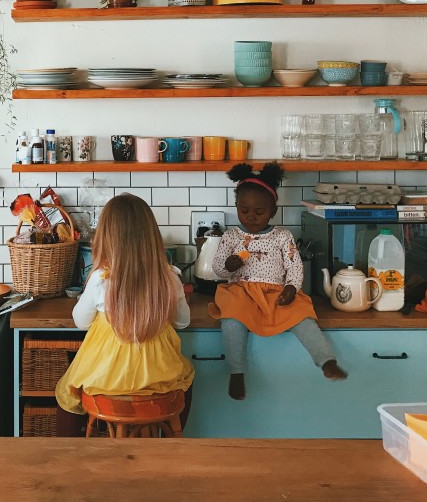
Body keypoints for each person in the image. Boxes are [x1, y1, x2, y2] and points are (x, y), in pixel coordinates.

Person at [55, 193, 194, 435]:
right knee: (185, 380)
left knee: (66, 393)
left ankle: (65, 457)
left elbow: (80, 321)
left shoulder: (100, 279)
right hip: (157, 377)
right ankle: (175, 443)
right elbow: (184, 322)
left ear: (106, 238)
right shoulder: (170, 277)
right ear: (151, 236)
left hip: (106, 377)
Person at [210, 161, 346, 400]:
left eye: (259, 212)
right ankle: (237, 372)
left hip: (276, 292)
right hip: (241, 291)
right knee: (231, 318)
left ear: (273, 211)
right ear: (236, 206)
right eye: (244, 210)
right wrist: (228, 265)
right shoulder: (231, 236)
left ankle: (326, 361)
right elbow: (219, 270)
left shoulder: (283, 236)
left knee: (303, 316)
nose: (251, 216)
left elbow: (294, 266)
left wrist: (292, 288)